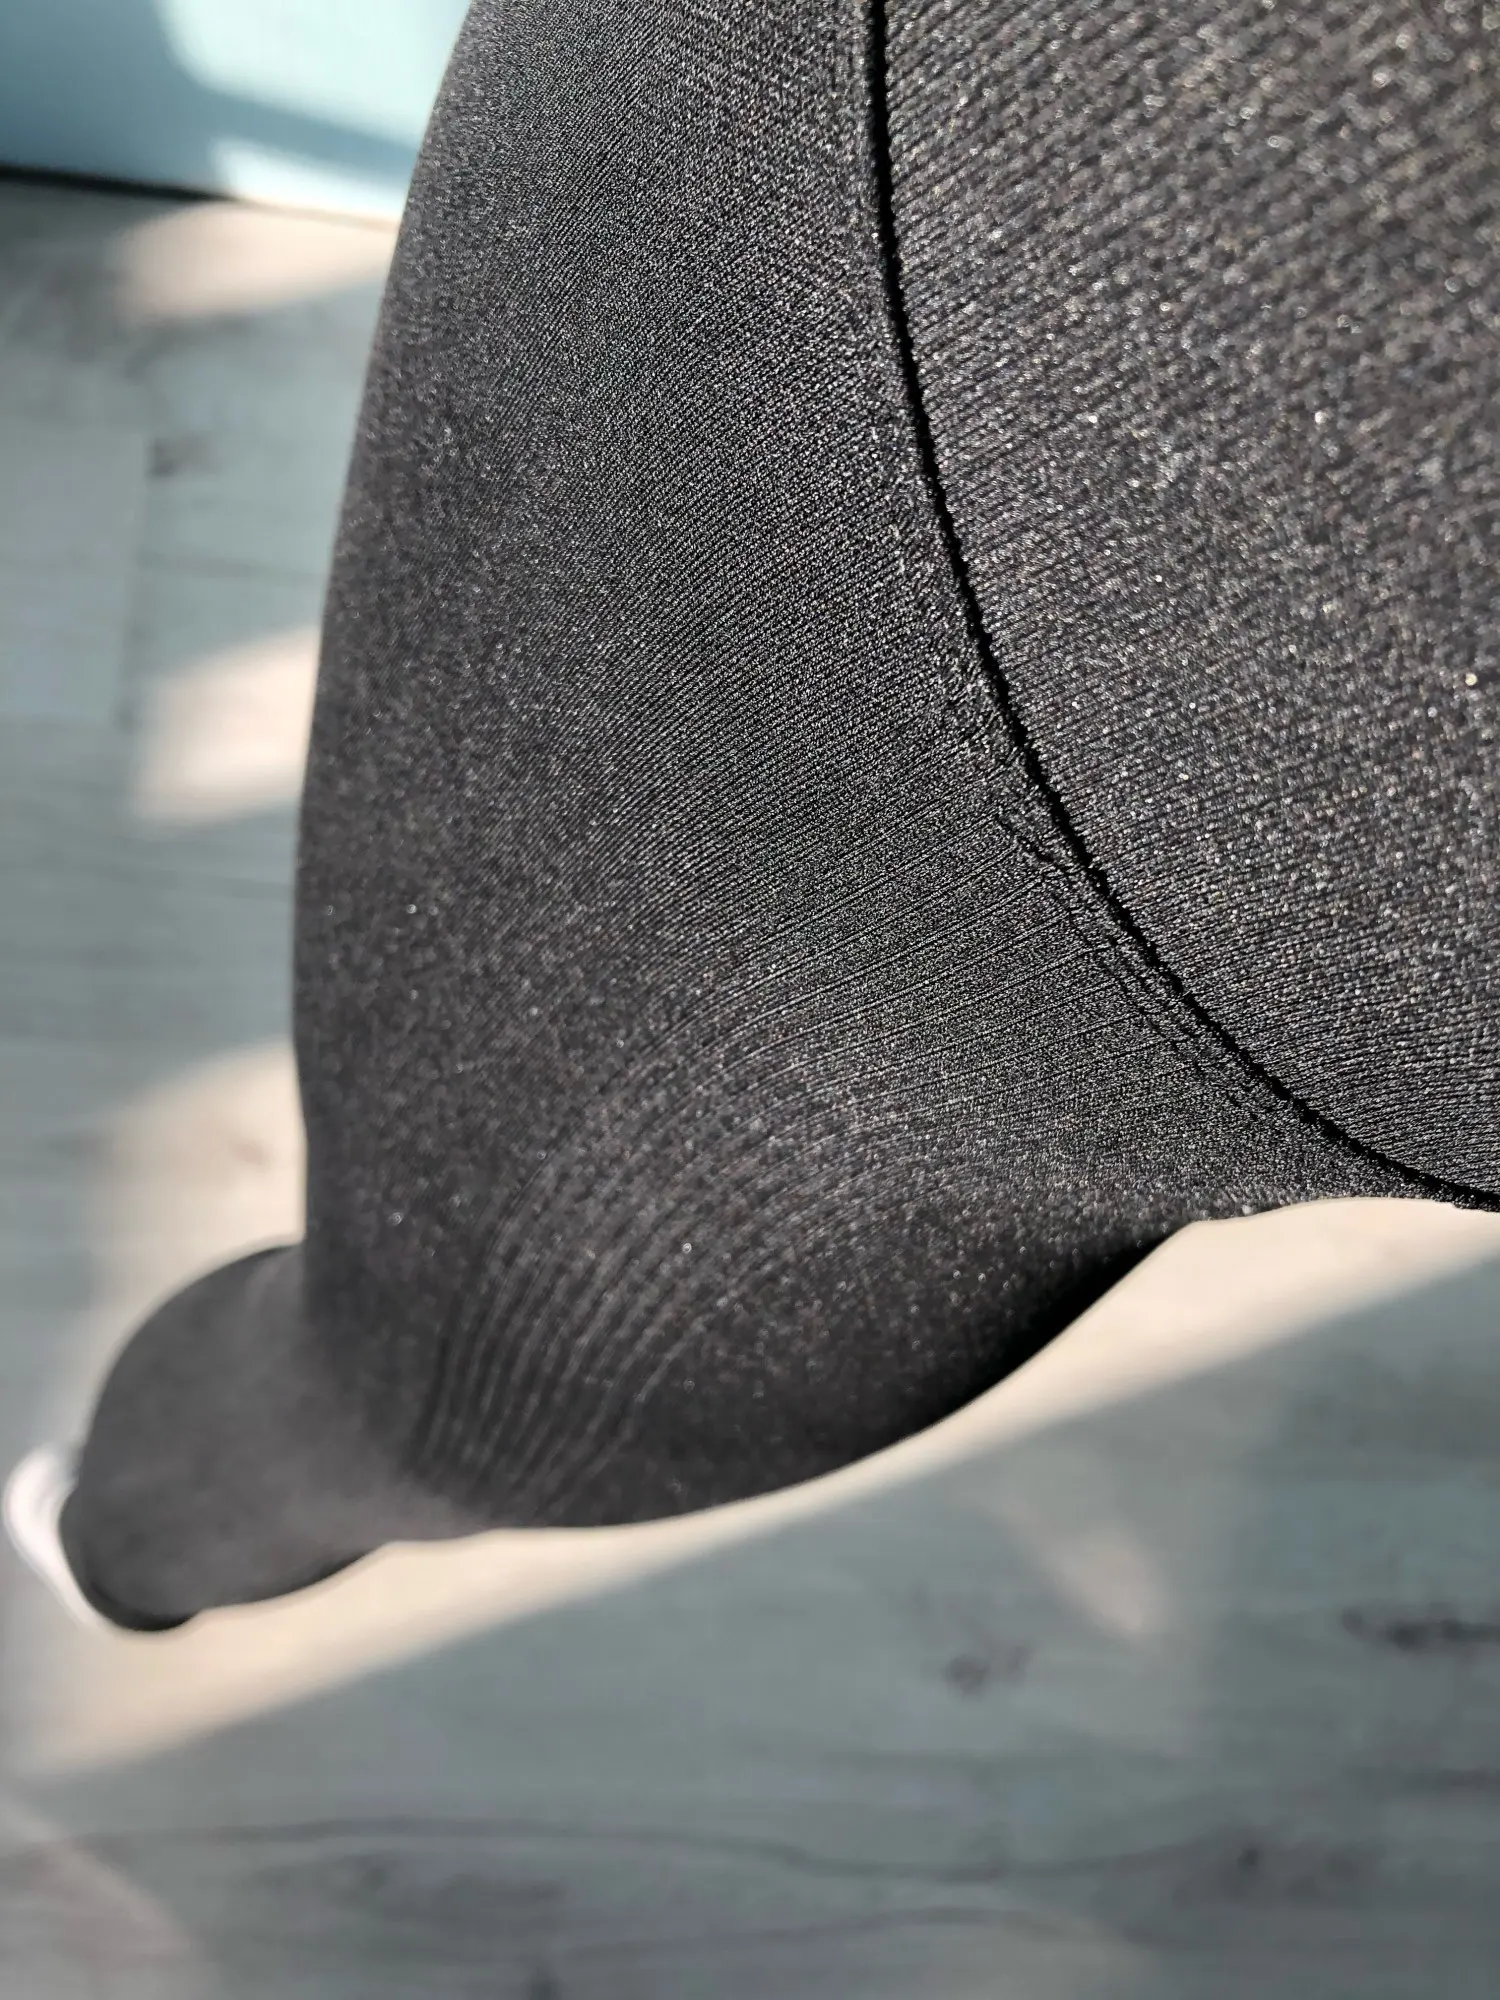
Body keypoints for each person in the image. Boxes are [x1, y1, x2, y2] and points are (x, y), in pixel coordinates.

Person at [8, 0, 1497, 1631]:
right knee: (421, 1374)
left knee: (413, 1381)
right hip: (1015, 380)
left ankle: (136, 1537)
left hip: (1074, 437)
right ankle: (138, 1536)